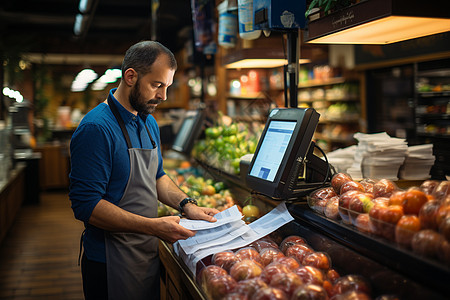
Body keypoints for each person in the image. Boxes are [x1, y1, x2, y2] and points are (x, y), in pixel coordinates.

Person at [69, 40, 219, 300]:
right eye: (157, 85)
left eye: (167, 87)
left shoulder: (148, 122)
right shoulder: (96, 129)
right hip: (109, 263)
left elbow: (158, 176)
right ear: (130, 76)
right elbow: (86, 205)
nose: (163, 96)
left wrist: (187, 205)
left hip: (144, 255)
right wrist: (153, 227)